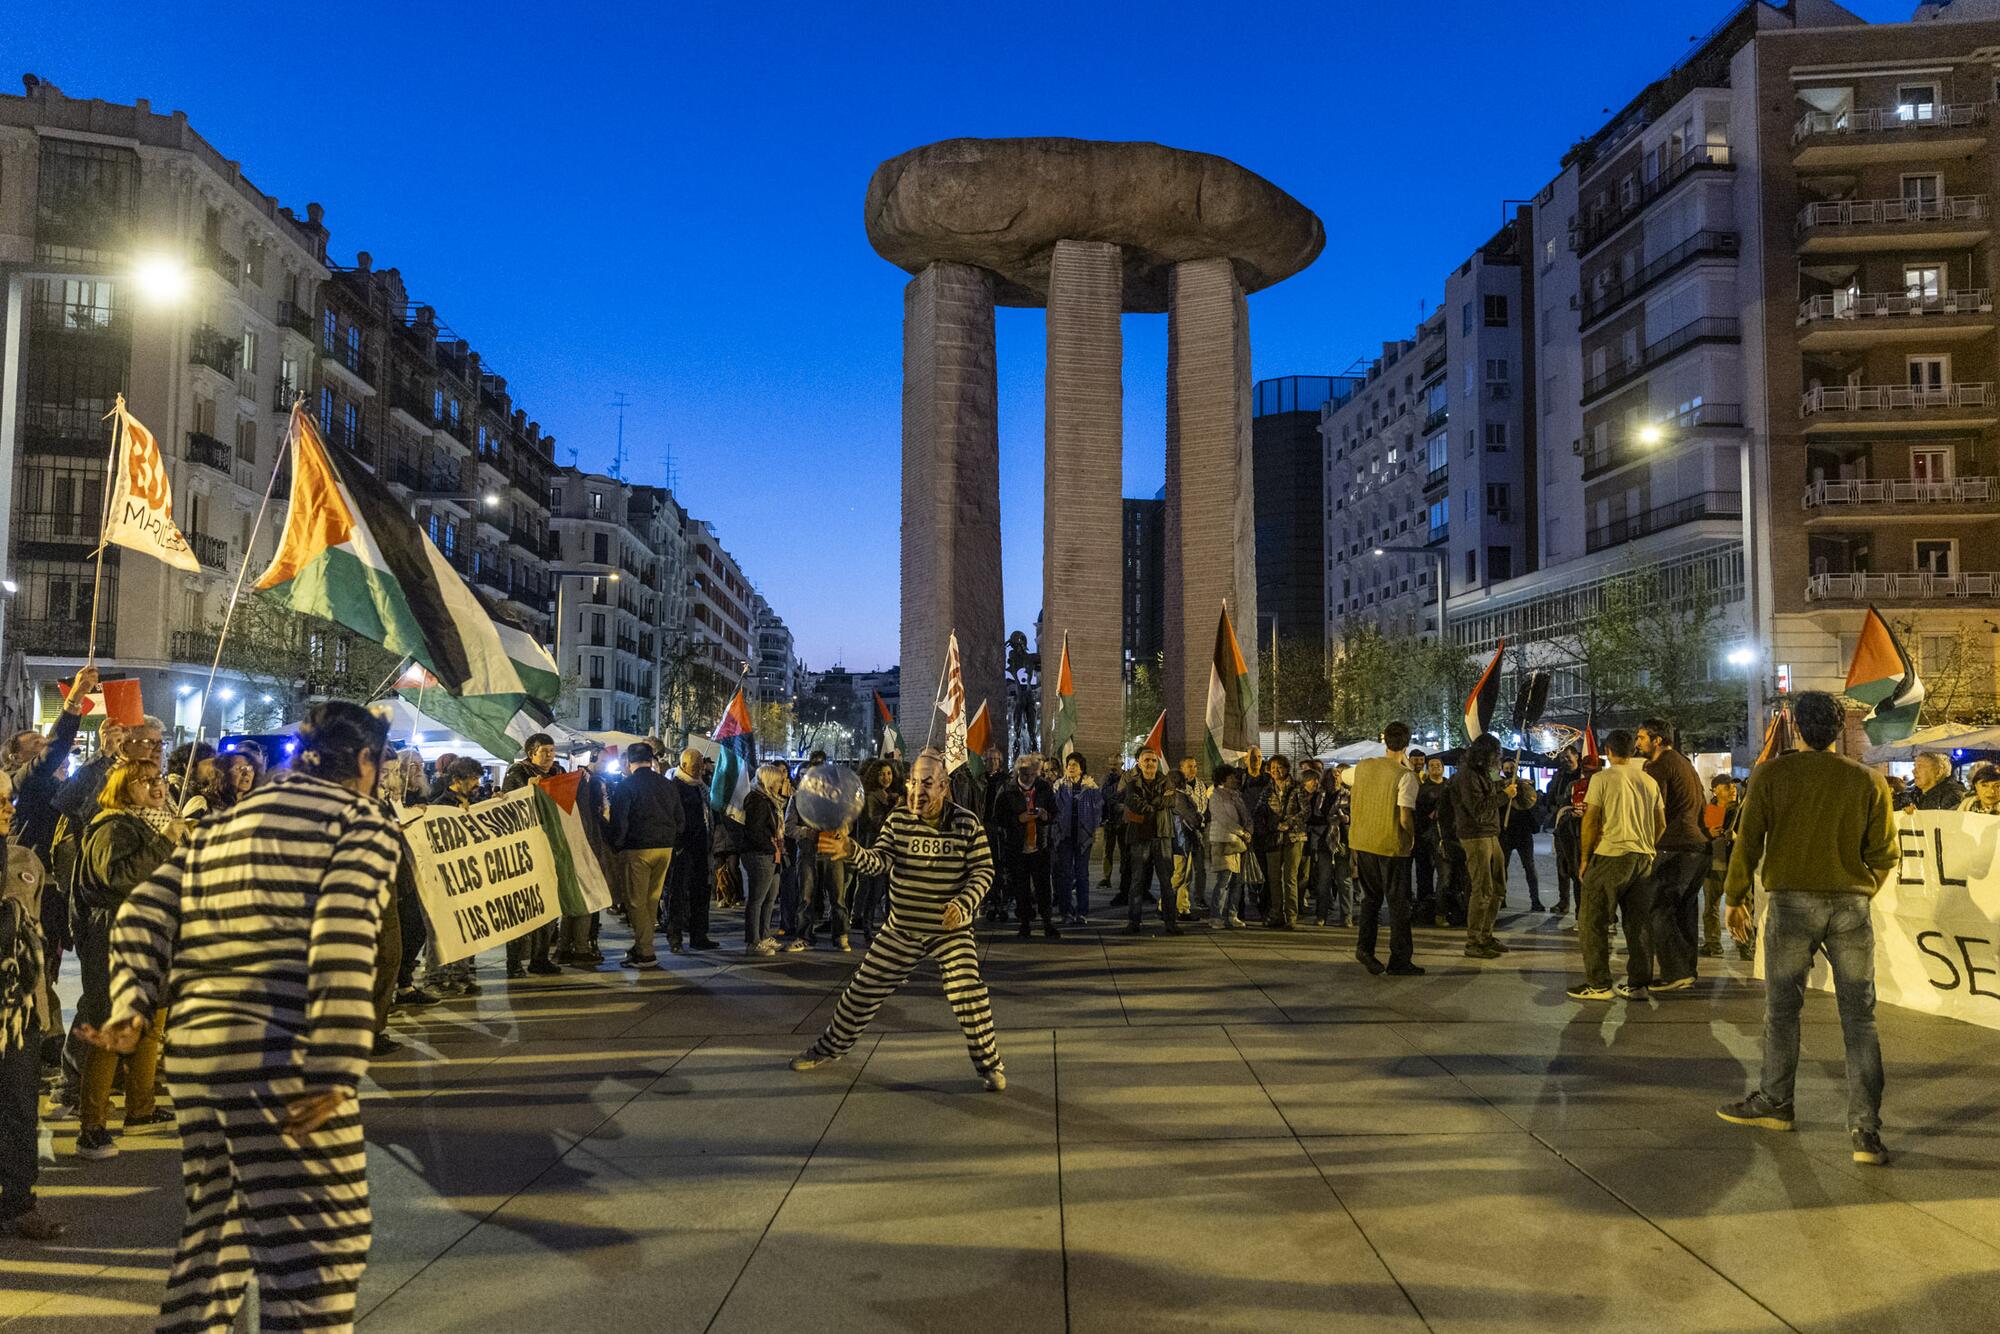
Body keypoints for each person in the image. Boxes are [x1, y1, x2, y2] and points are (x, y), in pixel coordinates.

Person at [83, 701, 401, 1331]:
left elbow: (147, 908)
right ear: (364, 761)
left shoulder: (235, 818)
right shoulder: (360, 822)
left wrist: (132, 1001)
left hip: (200, 1055)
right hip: (278, 1048)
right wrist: (335, 1068)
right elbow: (342, 936)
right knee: (320, 1238)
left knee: (217, 1222)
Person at [1717, 690, 1898, 1166]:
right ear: (1840, 730)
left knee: (1783, 1010)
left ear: (1796, 726)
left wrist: (1734, 897)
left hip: (1792, 903)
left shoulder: (1772, 775)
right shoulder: (1868, 780)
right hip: (1850, 906)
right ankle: (1865, 1131)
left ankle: (1777, 1102)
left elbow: (1747, 843)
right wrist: (1856, 893)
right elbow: (1884, 856)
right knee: (1860, 1018)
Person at [791, 750, 1005, 1090]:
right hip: (902, 928)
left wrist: (963, 904)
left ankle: (990, 1066)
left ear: (945, 787)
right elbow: (881, 860)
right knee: (861, 991)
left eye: (927, 784)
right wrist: (852, 852)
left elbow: (983, 871)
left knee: (968, 993)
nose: (918, 791)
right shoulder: (898, 819)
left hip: (950, 932)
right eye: (914, 782)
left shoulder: (967, 823)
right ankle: (829, 1048)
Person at [71, 758, 184, 1159]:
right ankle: (92, 1127)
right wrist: (166, 841)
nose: (157, 786)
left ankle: (141, 1109)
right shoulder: (113, 825)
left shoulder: (154, 821)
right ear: (122, 788)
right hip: (118, 937)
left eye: (158, 779)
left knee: (152, 1026)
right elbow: (119, 878)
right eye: (145, 781)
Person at [0, 768, 64, 1240]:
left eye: (8, 799)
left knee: (20, 1107)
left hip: (16, 1015)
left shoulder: (25, 859)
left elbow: (34, 943)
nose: (8, 807)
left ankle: (21, 1201)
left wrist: (44, 1014)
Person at [1566, 729, 1664, 1002]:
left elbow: (1591, 819)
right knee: (1639, 924)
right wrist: (1648, 846)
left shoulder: (1602, 779)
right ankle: (1638, 983)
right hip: (1643, 857)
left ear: (1608, 751)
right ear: (1633, 751)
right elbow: (1661, 823)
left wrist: (1585, 858)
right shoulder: (1649, 781)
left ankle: (1598, 983)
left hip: (1611, 855)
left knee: (1592, 921)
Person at [1637, 717, 1711, 992]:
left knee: (1658, 909)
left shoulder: (1659, 766)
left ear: (1657, 740)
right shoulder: (1683, 763)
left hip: (1674, 847)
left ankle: (1675, 972)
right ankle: (1686, 971)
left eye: (1642, 737)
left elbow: (1655, 808)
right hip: (1697, 847)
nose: (1637, 743)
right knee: (1684, 912)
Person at [1347, 722, 1423, 975]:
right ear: (1407, 743)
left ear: (1384, 740)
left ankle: (1364, 948)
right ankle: (1400, 959)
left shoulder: (1364, 766)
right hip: (1390, 845)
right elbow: (1404, 817)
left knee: (1371, 899)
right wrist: (1411, 839)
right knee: (1399, 904)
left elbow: (1343, 776)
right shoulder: (1405, 777)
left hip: (1363, 841)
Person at [609, 742, 681, 967]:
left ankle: (645, 950)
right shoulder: (667, 784)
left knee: (635, 901)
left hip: (638, 848)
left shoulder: (626, 786)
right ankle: (643, 944)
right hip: (665, 847)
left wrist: (618, 845)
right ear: (652, 760)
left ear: (629, 762)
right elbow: (680, 818)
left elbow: (620, 821)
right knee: (652, 899)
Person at [1452, 735, 1520, 960]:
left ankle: (1486, 934)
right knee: (1482, 889)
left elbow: (1496, 783)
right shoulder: (1467, 775)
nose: (1498, 759)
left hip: (1491, 833)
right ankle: (1473, 940)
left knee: (1499, 886)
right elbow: (1478, 808)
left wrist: (1508, 783)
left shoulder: (1488, 770)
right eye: (1495, 754)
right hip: (1475, 835)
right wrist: (1504, 796)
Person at [501, 734, 564, 976]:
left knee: (549, 906)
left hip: (551, 847)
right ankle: (514, 962)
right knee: (522, 908)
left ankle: (540, 958)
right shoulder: (517, 774)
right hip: (524, 851)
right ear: (531, 753)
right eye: (544, 750)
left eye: (551, 749)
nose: (549, 754)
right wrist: (529, 790)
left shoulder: (558, 774)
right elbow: (508, 807)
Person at [993, 753, 1060, 938]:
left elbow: (1055, 812)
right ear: (1017, 773)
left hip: (1040, 845)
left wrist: (1046, 816)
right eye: (1024, 775)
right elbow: (998, 817)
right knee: (1020, 887)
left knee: (1043, 887)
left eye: (1031, 774)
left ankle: (1047, 922)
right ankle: (1024, 923)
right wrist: (1017, 819)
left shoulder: (1044, 788)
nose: (1028, 778)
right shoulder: (1007, 790)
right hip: (1017, 847)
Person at [666, 747, 720, 953]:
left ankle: (699, 934)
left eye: (700, 765)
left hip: (701, 848)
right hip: (683, 850)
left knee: (701, 892)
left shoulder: (701, 787)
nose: (699, 769)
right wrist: (678, 844)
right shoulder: (675, 787)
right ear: (684, 765)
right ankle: (675, 937)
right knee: (678, 894)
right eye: (695, 766)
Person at [1120, 749, 1178, 935]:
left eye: (1153, 760)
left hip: (1162, 836)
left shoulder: (1166, 780)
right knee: (1137, 881)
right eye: (1146, 760)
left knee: (1167, 882)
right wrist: (1156, 803)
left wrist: (1149, 804)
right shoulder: (1132, 783)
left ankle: (1170, 922)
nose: (1150, 763)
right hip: (1139, 837)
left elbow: (1172, 800)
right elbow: (1133, 802)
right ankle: (1133, 921)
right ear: (1139, 762)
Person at [742, 763, 787, 955]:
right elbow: (755, 831)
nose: (780, 785)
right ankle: (753, 941)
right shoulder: (757, 800)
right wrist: (771, 847)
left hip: (772, 853)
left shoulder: (770, 800)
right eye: (778, 781)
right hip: (761, 854)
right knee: (757, 899)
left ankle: (764, 935)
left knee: (770, 898)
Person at [1052, 753, 1101, 925]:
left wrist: (1092, 829)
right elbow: (1054, 808)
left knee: (1082, 874)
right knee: (1064, 875)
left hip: (1083, 836)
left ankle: (1082, 912)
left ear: (1081, 767)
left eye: (1075, 764)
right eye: (1069, 764)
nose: (1071, 767)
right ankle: (1066, 912)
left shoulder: (1090, 786)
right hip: (1064, 836)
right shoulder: (1058, 785)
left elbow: (1098, 811)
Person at [1205, 764, 1254, 928]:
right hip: (1223, 840)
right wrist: (1241, 831)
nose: (1235, 779)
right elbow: (1222, 818)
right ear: (1223, 778)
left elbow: (1245, 814)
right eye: (1231, 776)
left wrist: (1249, 829)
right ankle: (1216, 916)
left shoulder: (1236, 795)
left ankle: (1233, 915)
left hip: (1238, 842)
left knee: (1238, 881)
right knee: (1223, 880)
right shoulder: (1215, 795)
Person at [1701, 774, 1744, 958]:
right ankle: (1713, 945)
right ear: (1715, 790)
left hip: (1737, 864)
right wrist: (1708, 832)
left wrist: (1737, 838)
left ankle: (1745, 947)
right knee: (1711, 907)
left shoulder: (1742, 810)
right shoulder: (1711, 809)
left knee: (1743, 906)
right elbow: (1702, 835)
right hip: (1715, 862)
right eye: (1727, 787)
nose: (1732, 790)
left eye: (1733, 787)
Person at [1497, 758, 1545, 912]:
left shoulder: (1524, 785)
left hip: (1523, 831)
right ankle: (1501, 898)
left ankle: (1535, 900)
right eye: (1506, 768)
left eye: (1512, 767)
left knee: (1530, 867)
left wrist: (1521, 786)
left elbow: (1531, 801)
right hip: (1506, 832)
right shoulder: (1499, 786)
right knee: (1502, 868)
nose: (1509, 770)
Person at [1411, 756, 1448, 923]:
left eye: (1437, 765)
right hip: (1426, 838)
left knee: (1445, 875)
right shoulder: (1422, 789)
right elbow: (1417, 813)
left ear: (1443, 767)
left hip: (1446, 837)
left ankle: (1443, 908)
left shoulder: (1449, 786)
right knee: (1425, 874)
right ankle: (1425, 908)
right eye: (1431, 765)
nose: (1435, 767)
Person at [1098, 757, 1125, 890]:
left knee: (1124, 851)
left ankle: (1124, 877)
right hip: (1109, 820)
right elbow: (1102, 796)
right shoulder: (1106, 779)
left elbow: (1120, 796)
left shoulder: (1125, 779)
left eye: (1115, 764)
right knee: (1107, 850)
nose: (1112, 767)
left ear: (1122, 764)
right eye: (1110, 764)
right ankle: (1106, 877)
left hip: (1122, 820)